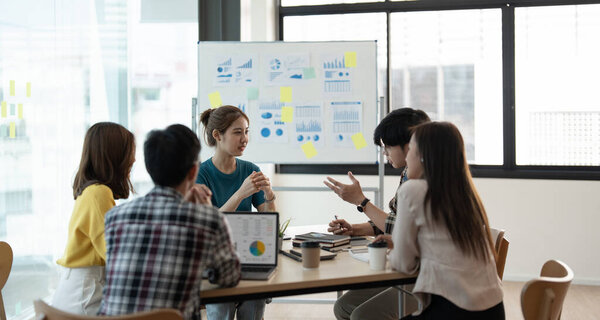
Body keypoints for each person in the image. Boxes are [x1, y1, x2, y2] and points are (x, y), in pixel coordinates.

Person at [98, 124, 241, 319]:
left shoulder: (115, 217)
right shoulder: (207, 219)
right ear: (193, 172)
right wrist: (207, 211)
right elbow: (230, 276)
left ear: (149, 168)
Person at [385, 121, 504, 319]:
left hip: (455, 309)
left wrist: (395, 249)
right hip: (493, 310)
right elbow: (446, 247)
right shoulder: (464, 194)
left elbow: (403, 264)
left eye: (411, 149)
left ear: (423, 155)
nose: (407, 156)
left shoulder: (412, 190)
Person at [323, 108, 430, 320]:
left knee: (362, 316)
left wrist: (361, 202)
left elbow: (400, 228)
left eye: (387, 146)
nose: (385, 153)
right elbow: (393, 219)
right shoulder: (407, 174)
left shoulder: (428, 179)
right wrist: (354, 229)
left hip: (425, 277)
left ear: (409, 145)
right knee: (343, 306)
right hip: (410, 270)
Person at [197, 105, 275, 320]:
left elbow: (269, 222)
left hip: (250, 257)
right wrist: (240, 194)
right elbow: (207, 226)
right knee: (221, 313)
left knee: (254, 310)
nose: (245, 139)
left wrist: (269, 193)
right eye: (237, 132)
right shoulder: (200, 174)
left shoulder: (250, 168)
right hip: (215, 262)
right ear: (217, 135)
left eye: (247, 131)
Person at [52, 122, 135, 315]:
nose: (133, 159)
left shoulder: (90, 191)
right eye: (129, 151)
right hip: (85, 295)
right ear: (115, 155)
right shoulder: (99, 193)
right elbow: (113, 253)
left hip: (76, 289)